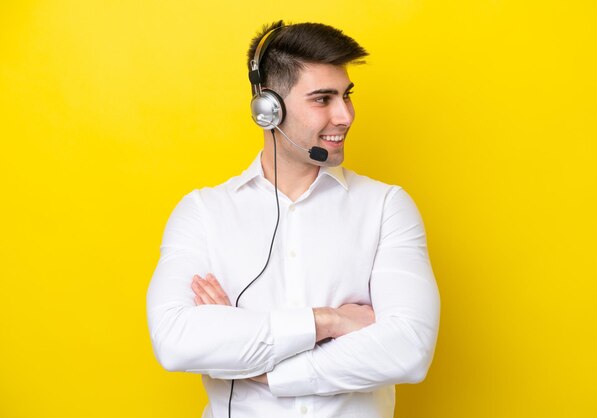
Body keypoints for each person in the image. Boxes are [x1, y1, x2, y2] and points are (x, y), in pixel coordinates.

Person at [147, 20, 440, 418]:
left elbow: (409, 349)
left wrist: (261, 362)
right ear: (268, 109)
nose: (346, 116)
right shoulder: (203, 212)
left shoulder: (386, 206)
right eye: (323, 99)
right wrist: (331, 321)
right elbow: (177, 342)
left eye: (346, 96)